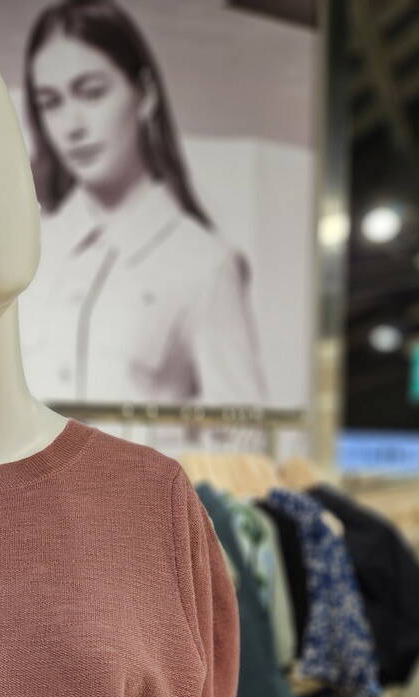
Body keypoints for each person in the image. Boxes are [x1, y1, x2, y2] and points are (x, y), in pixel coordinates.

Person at [20, 0, 267, 414]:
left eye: (92, 93)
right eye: (51, 102)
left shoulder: (205, 263)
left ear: (145, 95)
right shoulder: (26, 253)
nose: (72, 126)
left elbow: (241, 439)